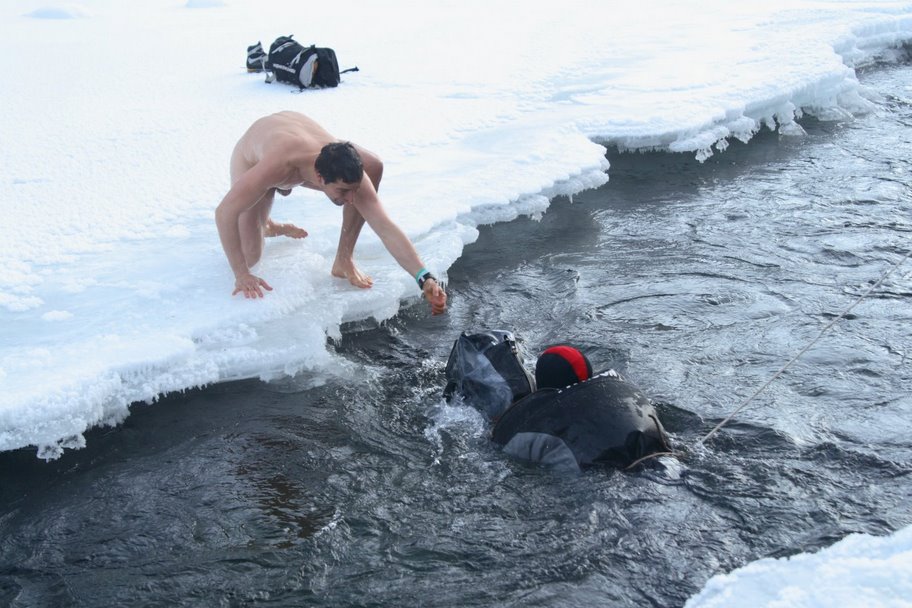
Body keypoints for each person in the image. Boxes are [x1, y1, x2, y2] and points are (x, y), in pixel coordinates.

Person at [214, 111, 447, 315]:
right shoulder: (276, 166)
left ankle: (344, 259)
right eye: (344, 191)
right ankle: (267, 226)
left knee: (374, 164)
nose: (351, 200)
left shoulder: (345, 176)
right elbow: (224, 213)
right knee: (250, 255)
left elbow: (384, 227)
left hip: (299, 135)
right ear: (320, 178)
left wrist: (423, 277)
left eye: (354, 190)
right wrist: (242, 274)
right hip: (253, 155)